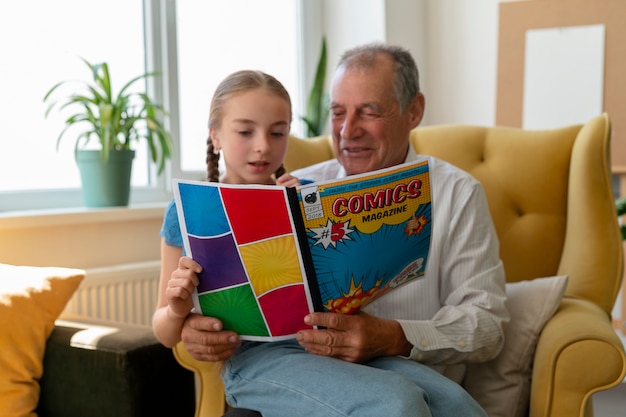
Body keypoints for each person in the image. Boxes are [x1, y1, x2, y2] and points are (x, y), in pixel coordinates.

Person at [175, 43, 509, 417]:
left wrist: (395, 336)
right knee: (397, 404)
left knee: (461, 408)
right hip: (305, 368)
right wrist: (194, 325)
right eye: (337, 112)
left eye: (370, 111)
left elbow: (488, 324)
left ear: (413, 111)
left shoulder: (456, 193)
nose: (348, 131)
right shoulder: (298, 189)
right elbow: (207, 289)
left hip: (402, 370)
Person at [152, 69, 300, 349]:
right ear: (216, 137)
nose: (263, 146)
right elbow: (164, 334)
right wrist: (177, 310)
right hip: (253, 353)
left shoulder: (305, 195)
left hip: (318, 343)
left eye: (278, 133)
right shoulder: (186, 210)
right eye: (245, 132)